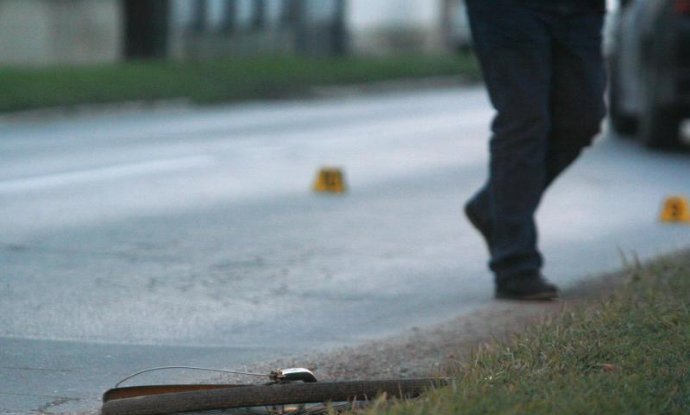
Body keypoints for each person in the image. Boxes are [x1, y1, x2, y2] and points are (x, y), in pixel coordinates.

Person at [463, 0, 607, 300]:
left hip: (581, 9)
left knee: (582, 118)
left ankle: (492, 207)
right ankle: (515, 266)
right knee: (523, 120)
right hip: (508, 8)